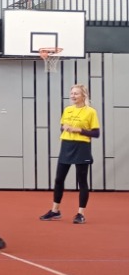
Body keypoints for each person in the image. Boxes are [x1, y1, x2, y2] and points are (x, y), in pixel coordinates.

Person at [40, 83, 100, 224]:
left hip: (82, 147)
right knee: (59, 179)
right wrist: (65, 128)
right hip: (66, 146)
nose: (73, 96)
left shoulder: (91, 112)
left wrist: (79, 130)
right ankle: (55, 211)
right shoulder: (67, 110)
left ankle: (80, 214)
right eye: (72, 93)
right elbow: (63, 127)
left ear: (83, 96)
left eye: (76, 93)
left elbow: (96, 133)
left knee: (82, 181)